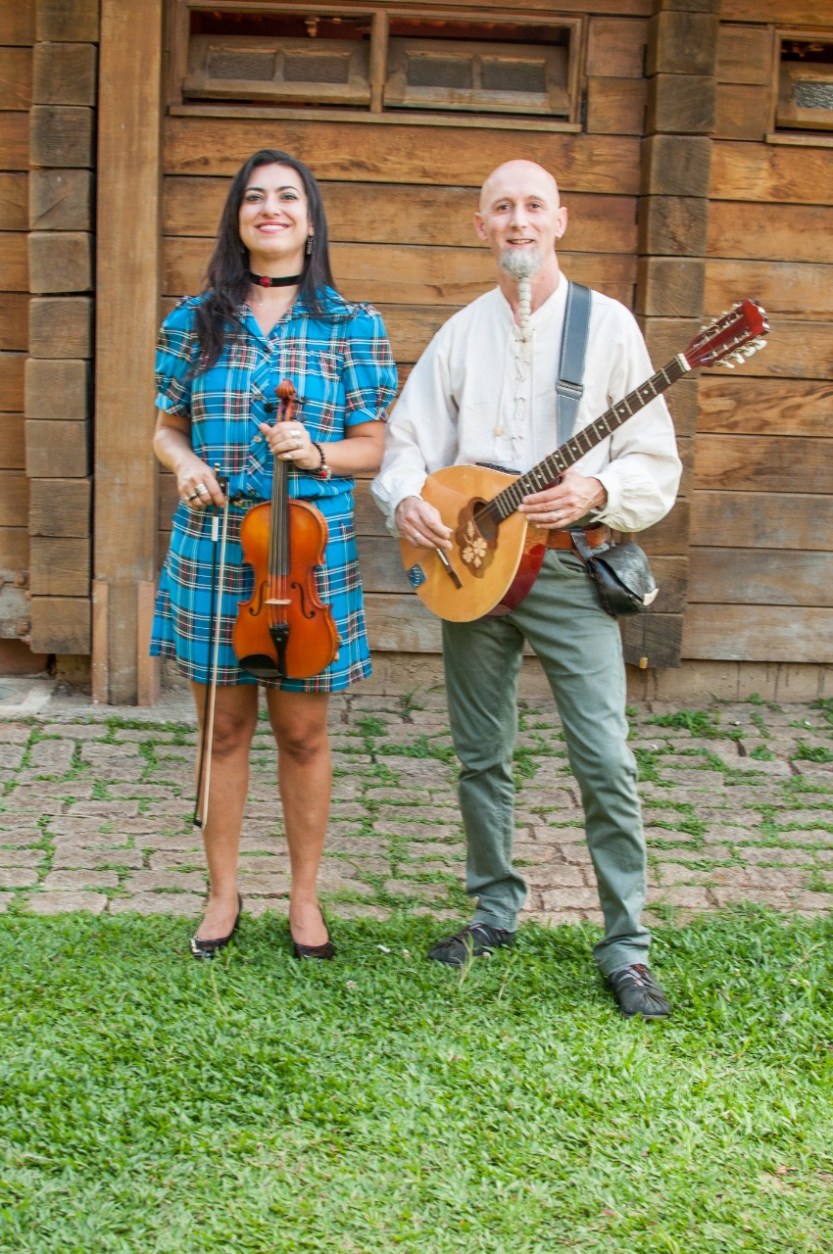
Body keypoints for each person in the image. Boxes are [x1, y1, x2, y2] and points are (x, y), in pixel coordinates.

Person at [372, 160, 682, 1018]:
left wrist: (596, 492)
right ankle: (494, 910)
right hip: (470, 570)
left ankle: (624, 944)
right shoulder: (459, 333)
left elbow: (654, 459)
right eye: (501, 207)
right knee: (480, 752)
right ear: (481, 226)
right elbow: (406, 443)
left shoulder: (608, 327)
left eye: (533, 206)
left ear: (560, 221)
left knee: (604, 758)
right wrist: (407, 501)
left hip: (569, 568)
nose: (518, 220)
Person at [151, 149, 396, 961]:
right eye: (255, 198)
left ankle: (303, 897)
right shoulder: (193, 318)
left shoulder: (352, 324)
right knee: (222, 731)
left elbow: (374, 447)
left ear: (311, 219)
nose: (271, 209)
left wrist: (319, 450)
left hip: (306, 556)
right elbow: (165, 426)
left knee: (302, 735)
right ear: (239, 219)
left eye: (287, 197)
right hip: (216, 545)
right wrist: (184, 464)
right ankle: (222, 893)